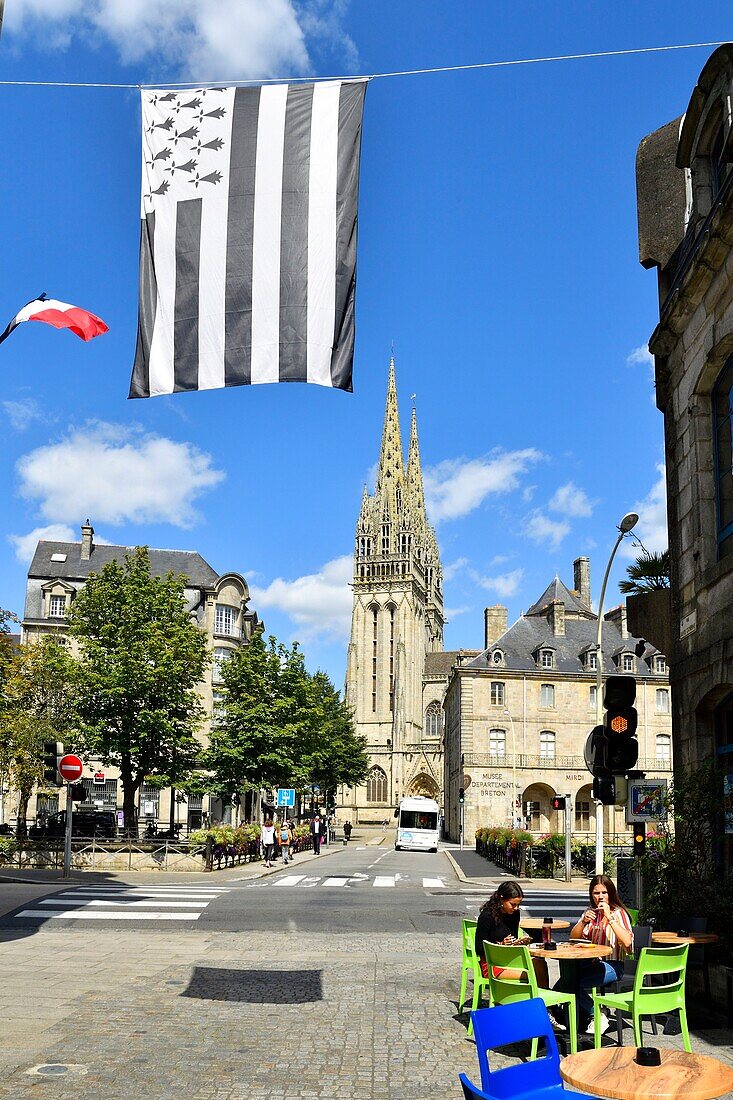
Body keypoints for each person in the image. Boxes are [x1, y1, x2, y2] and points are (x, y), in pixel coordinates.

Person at [553, 873, 633, 1035]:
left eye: (604, 893)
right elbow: (573, 939)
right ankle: (590, 1013)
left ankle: (593, 1013)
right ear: (591, 895)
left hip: (613, 965)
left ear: (611, 893)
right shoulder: (590, 913)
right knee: (568, 980)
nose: (600, 897)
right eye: (596, 893)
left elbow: (628, 945)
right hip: (590, 964)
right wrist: (583, 922)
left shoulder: (619, 914)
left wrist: (609, 918)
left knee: (569, 983)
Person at [474, 880, 549, 988]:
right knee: (535, 972)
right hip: (492, 964)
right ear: (501, 899)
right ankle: (539, 1000)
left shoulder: (514, 914)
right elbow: (479, 948)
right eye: (513, 904)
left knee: (540, 963)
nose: (516, 908)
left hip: (509, 959)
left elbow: (512, 938)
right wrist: (500, 945)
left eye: (518, 905)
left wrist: (519, 942)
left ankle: (541, 999)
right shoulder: (487, 916)